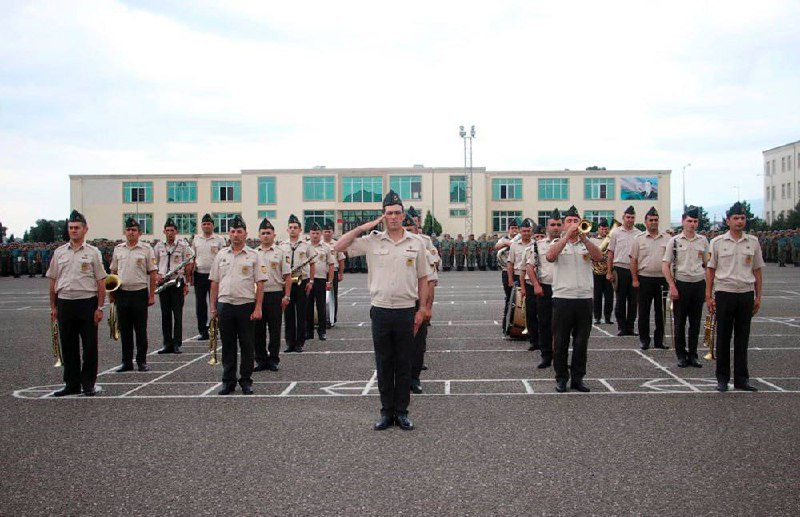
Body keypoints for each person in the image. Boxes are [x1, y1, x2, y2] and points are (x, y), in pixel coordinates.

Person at [334, 190, 430, 431]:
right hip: (381, 311)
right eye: (389, 213)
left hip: (406, 310)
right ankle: (387, 412)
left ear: (403, 215)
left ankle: (402, 412)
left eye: (397, 213)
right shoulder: (372, 240)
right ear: (383, 216)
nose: (394, 217)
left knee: (404, 364)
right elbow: (338, 246)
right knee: (384, 363)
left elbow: (423, 277)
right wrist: (363, 227)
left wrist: (422, 309)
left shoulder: (417, 242)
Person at [46, 210, 106, 396]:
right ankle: (71, 383)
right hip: (65, 302)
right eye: (71, 228)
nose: (73, 230)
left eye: (77, 228)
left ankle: (88, 383)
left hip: (87, 303)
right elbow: (53, 280)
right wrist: (53, 306)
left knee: (89, 346)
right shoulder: (59, 252)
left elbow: (101, 281)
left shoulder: (93, 253)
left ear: (85, 229)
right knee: (68, 345)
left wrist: (99, 307)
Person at [706, 202, 764, 392]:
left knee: (742, 338)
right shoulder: (717, 242)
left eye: (742, 218)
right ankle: (722, 378)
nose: (740, 221)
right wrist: (708, 295)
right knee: (723, 337)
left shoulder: (753, 242)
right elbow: (710, 270)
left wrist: (758, 296)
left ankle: (741, 379)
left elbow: (757, 271)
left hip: (745, 293)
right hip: (725, 292)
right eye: (736, 218)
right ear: (728, 221)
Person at [545, 206, 603, 393]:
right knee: (560, 342)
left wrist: (584, 238)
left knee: (581, 342)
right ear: (563, 225)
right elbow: (550, 256)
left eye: (575, 221)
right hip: (563, 298)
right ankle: (561, 378)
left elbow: (599, 257)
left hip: (584, 298)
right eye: (569, 221)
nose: (573, 224)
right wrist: (566, 237)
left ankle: (578, 379)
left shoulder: (587, 243)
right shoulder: (557, 242)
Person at [209, 215, 266, 395]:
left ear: (246, 234)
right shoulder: (221, 255)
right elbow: (214, 283)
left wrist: (258, 307)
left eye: (239, 231)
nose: (235, 235)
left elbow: (260, 284)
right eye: (233, 231)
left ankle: (246, 380)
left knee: (247, 345)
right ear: (229, 233)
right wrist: (213, 307)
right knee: (228, 345)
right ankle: (228, 381)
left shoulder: (254, 256)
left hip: (245, 305)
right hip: (225, 305)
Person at [663, 206, 709, 368]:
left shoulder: (703, 241)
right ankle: (681, 355)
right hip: (681, 284)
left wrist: (708, 288)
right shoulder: (674, 241)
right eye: (689, 221)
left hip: (698, 284)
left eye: (695, 221)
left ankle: (693, 355)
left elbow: (707, 264)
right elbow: (665, 265)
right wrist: (672, 286)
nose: (692, 224)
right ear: (683, 221)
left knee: (695, 323)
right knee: (680, 323)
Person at [110, 218, 157, 372]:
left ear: (139, 233)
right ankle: (126, 362)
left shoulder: (146, 249)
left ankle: (141, 361)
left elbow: (153, 273)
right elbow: (113, 271)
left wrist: (151, 295)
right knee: (125, 330)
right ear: (125, 232)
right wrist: (112, 293)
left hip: (139, 293)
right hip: (122, 293)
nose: (131, 232)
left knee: (140, 330)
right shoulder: (118, 249)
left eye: (134, 230)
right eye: (128, 230)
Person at [402, 213, 438, 395]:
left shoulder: (424, 252)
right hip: (399, 302)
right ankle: (400, 378)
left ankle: (414, 378)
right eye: (405, 229)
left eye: (411, 229)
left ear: (417, 231)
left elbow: (430, 282)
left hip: (418, 301)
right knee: (398, 342)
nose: (408, 233)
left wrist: (428, 307)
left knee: (417, 343)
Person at [254, 218, 291, 372]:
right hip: (257, 296)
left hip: (275, 294)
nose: (266, 236)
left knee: (275, 330)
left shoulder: (281, 253)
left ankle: (273, 359)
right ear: (259, 235)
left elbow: (287, 276)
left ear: (274, 235)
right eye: (263, 233)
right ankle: (261, 360)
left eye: (268, 233)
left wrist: (287, 296)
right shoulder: (253, 253)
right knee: (258, 330)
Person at [630, 207, 669, 350]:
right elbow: (633, 260)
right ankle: (644, 340)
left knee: (661, 313)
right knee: (644, 312)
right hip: (644, 278)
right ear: (645, 222)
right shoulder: (638, 239)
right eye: (651, 220)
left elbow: (671, 260)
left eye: (656, 220)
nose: (654, 222)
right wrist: (634, 279)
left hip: (662, 279)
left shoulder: (667, 238)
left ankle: (659, 341)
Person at [527, 209, 561, 369]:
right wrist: (536, 285)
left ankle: (561, 357)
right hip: (545, 288)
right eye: (552, 225)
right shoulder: (538, 245)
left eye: (558, 224)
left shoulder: (567, 244)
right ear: (547, 227)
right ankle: (546, 356)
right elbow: (530, 267)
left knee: (562, 326)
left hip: (564, 289)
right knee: (545, 324)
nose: (556, 227)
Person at [154, 218, 194, 354]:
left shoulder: (182, 246)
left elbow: (188, 263)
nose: (170, 233)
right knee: (165, 314)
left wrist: (186, 282)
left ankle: (177, 343)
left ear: (176, 231)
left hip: (177, 281)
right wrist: (157, 276)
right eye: (167, 230)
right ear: (164, 231)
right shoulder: (159, 246)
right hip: (164, 282)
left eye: (172, 230)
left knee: (177, 314)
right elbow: (154, 264)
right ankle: (167, 343)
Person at [280, 214, 315, 353]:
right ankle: (290, 343)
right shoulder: (282, 246)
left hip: (302, 281)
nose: (293, 229)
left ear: (300, 230)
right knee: (288, 314)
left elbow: (312, 264)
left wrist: (311, 281)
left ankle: (300, 342)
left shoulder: (306, 245)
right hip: (287, 282)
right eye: (290, 227)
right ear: (287, 230)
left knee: (301, 313)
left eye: (295, 227)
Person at [607, 205, 642, 336]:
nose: (630, 220)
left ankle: (630, 327)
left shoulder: (639, 233)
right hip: (620, 269)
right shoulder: (615, 233)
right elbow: (610, 253)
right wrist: (609, 271)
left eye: (632, 217)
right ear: (623, 217)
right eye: (628, 217)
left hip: (634, 270)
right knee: (620, 300)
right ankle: (621, 327)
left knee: (633, 301)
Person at [191, 214, 227, 340]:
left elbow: (224, 257)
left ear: (213, 225)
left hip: (215, 277)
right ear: (201, 226)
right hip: (200, 274)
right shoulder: (196, 239)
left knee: (216, 304)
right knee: (200, 304)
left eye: (209, 224)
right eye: (204, 224)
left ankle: (217, 329)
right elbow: (193, 257)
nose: (206, 226)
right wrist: (191, 274)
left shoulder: (219, 239)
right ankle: (203, 331)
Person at [507, 219, 538, 349]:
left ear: (531, 231)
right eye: (524, 231)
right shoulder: (514, 245)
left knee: (532, 308)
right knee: (515, 304)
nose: (526, 233)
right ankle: (511, 328)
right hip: (517, 276)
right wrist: (510, 279)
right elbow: (510, 263)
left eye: (528, 231)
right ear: (520, 231)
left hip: (532, 278)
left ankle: (532, 335)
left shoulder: (536, 244)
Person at [305, 222, 335, 341]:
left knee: (321, 306)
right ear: (309, 234)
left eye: (317, 233)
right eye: (313, 233)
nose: (315, 235)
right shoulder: (305, 246)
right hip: (307, 280)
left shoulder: (326, 248)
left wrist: (329, 281)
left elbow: (331, 265)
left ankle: (322, 331)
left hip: (321, 280)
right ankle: (309, 331)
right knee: (308, 306)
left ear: (321, 234)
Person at [495, 219, 520, 334]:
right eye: (512, 228)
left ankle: (519, 325)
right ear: (508, 229)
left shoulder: (520, 238)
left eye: (516, 228)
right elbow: (497, 247)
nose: (514, 230)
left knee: (519, 300)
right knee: (509, 298)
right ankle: (506, 325)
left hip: (519, 271)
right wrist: (507, 244)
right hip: (506, 271)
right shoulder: (504, 239)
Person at [589, 218, 614, 324]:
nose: (604, 230)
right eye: (602, 228)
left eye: (606, 228)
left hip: (608, 270)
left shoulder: (611, 240)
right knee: (597, 295)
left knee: (609, 296)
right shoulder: (593, 240)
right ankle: (597, 317)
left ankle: (608, 317)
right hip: (596, 271)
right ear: (598, 229)